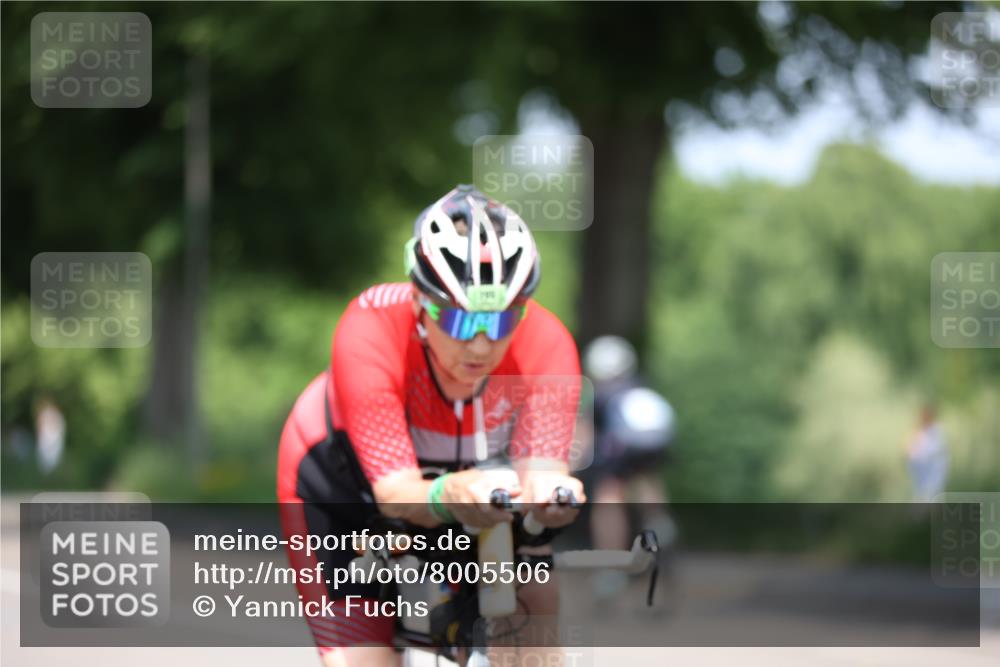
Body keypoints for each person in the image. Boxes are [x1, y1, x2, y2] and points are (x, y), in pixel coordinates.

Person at [277, 185, 586, 667]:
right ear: (421, 301)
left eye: (502, 322)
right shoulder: (370, 326)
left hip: (471, 488)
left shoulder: (547, 342)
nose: (482, 346)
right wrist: (446, 495)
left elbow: (542, 473)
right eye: (462, 323)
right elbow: (396, 492)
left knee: (535, 612)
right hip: (347, 490)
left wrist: (553, 498)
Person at [582, 336, 676, 600]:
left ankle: (611, 567)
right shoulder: (640, 387)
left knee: (608, 495)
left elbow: (589, 440)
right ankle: (659, 521)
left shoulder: (600, 395)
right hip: (659, 437)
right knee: (647, 475)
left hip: (625, 441)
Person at [906, 403, 948, 502]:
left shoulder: (937, 431)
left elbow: (936, 452)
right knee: (921, 496)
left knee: (931, 495)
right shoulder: (919, 430)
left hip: (933, 471)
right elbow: (910, 448)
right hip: (920, 471)